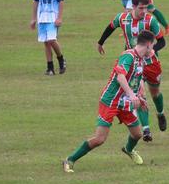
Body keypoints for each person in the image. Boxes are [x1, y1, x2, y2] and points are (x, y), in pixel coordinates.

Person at [62, 30, 156, 173]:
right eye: (153, 45)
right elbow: (120, 77)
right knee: (100, 139)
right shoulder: (128, 56)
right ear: (148, 44)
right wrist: (132, 95)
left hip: (125, 102)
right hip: (110, 101)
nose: (154, 49)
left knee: (137, 134)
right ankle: (69, 160)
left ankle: (128, 149)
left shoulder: (141, 59)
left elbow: (135, 80)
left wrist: (140, 97)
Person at [97, 0, 167, 139]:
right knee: (140, 93)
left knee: (155, 93)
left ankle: (160, 113)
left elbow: (162, 41)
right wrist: (100, 42)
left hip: (151, 64)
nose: (144, 11)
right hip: (134, 63)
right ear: (133, 6)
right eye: (141, 8)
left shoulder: (151, 21)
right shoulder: (122, 18)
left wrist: (153, 50)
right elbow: (110, 27)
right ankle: (146, 129)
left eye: (146, 8)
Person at [31, 0, 66, 76]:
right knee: (46, 42)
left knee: (51, 39)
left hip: (53, 15)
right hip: (42, 16)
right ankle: (50, 67)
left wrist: (59, 17)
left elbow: (61, 1)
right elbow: (35, 1)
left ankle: (61, 59)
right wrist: (33, 18)